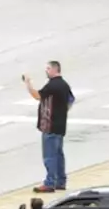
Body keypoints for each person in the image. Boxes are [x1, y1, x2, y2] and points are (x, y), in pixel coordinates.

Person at [24, 61, 73, 193]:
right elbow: (71, 100)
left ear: (55, 70)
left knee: (49, 156)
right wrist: (62, 112)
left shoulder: (52, 85)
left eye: (48, 68)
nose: (46, 71)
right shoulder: (64, 84)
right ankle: (60, 181)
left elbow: (37, 96)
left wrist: (28, 84)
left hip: (49, 125)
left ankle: (50, 182)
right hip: (60, 125)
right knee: (58, 154)